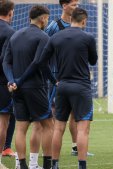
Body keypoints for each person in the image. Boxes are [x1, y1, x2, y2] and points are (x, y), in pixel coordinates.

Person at [20, 7, 97, 169]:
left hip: (62, 86)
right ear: (84, 20)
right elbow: (93, 60)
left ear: (71, 19)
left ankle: (54, 164)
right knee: (83, 129)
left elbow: (41, 62)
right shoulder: (88, 37)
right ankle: (82, 166)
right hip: (81, 86)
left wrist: (54, 80)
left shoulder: (56, 37)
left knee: (58, 127)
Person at [2, 5, 54, 169]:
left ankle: (22, 165)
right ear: (43, 18)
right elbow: (39, 62)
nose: (47, 21)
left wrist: (12, 81)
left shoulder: (15, 35)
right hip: (35, 87)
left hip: (17, 89)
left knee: (21, 127)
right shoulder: (43, 37)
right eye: (47, 18)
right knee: (47, 125)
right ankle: (46, 164)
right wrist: (53, 80)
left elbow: (6, 61)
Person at [45, 0, 91, 157]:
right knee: (55, 115)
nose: (76, 7)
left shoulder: (79, 28)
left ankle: (75, 147)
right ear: (64, 6)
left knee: (75, 115)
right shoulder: (53, 27)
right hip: (57, 77)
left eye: (78, 4)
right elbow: (44, 52)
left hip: (74, 78)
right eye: (73, 4)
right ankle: (50, 152)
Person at [0, 0, 15, 168]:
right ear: (11, 12)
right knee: (3, 121)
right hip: (2, 82)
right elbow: (6, 60)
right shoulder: (10, 32)